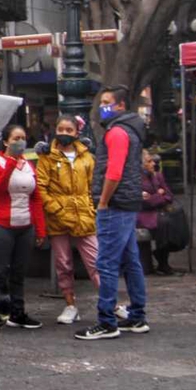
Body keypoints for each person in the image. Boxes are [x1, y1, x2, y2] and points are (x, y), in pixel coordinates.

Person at [76, 86, 150, 341]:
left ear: (120, 105)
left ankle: (107, 320)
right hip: (127, 202)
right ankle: (137, 315)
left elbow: (114, 171)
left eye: (106, 102)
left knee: (106, 263)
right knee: (130, 261)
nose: (101, 107)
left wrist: (104, 201)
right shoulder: (132, 129)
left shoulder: (117, 132)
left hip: (115, 204)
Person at [0, 124, 46, 333]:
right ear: (6, 141)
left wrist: (40, 229)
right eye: (16, 138)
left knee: (19, 272)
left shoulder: (28, 165)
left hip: (25, 226)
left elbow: (36, 198)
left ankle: (17, 312)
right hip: (1, 226)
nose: (20, 142)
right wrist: (9, 165)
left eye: (23, 138)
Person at [35, 115, 101, 324]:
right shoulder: (47, 157)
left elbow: (94, 186)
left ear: (76, 132)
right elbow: (41, 187)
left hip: (84, 216)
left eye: (69, 130)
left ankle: (111, 302)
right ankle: (70, 304)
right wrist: (56, 208)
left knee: (96, 261)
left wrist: (92, 207)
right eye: (61, 129)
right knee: (63, 264)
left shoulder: (87, 157)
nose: (64, 133)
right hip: (58, 217)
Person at [140, 149, 178, 275]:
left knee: (172, 221)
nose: (153, 164)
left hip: (158, 210)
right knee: (163, 222)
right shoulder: (136, 178)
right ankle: (162, 261)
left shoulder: (157, 175)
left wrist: (154, 197)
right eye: (149, 161)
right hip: (142, 214)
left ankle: (163, 256)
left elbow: (169, 195)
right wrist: (158, 195)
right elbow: (145, 203)